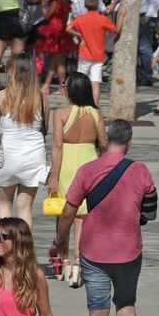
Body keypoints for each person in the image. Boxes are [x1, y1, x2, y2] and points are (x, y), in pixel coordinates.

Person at [51, 119, 156, 316]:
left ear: (105, 139)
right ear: (129, 142)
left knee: (98, 311)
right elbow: (151, 211)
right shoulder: (140, 171)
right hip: (129, 250)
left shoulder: (87, 170)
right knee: (126, 304)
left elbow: (68, 211)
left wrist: (60, 241)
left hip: (93, 252)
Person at [0, 55, 48, 225]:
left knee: (4, 203)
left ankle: (5, 246)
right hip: (33, 156)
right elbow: (44, 129)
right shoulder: (41, 98)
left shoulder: (2, 96)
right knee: (25, 208)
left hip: (8, 155)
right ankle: (25, 249)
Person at [50, 72, 104, 219]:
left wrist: (53, 177)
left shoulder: (60, 113)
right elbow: (104, 144)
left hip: (66, 166)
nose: (63, 88)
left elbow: (57, 146)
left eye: (64, 85)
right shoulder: (96, 113)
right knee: (83, 214)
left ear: (72, 89)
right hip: (89, 165)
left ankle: (61, 242)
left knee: (63, 214)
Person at [67, 0, 117, 106]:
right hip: (98, 56)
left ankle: (74, 104)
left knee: (78, 81)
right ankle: (94, 107)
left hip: (84, 54)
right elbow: (116, 30)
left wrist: (79, 34)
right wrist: (121, 16)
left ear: (85, 5)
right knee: (95, 83)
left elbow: (68, 28)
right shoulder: (103, 19)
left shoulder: (81, 19)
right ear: (98, 4)